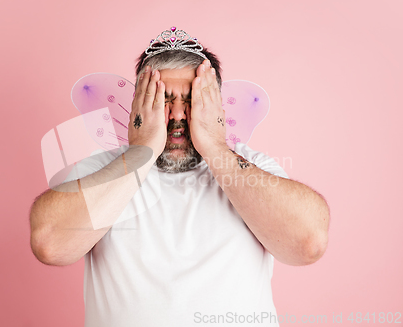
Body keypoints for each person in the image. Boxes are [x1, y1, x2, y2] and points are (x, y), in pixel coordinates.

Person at [29, 27, 330, 327]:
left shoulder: (251, 166)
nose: (176, 115)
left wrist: (214, 146)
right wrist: (141, 151)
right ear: (139, 105)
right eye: (162, 100)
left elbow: (309, 243)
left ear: (216, 107)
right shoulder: (102, 169)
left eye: (190, 102)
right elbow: (49, 243)